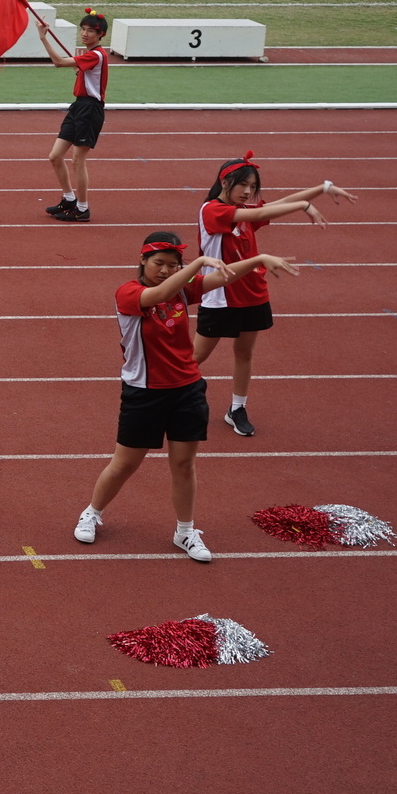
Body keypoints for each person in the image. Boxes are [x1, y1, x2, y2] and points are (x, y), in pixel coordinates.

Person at [73, 232, 300, 562]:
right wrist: (198, 263)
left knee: (183, 464)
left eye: (172, 265)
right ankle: (92, 512)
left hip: (187, 390)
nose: (165, 270)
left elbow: (224, 277)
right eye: (158, 263)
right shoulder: (129, 293)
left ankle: (185, 531)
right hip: (144, 393)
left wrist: (259, 260)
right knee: (124, 464)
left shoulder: (182, 288)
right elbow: (161, 293)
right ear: (142, 261)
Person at [194, 153, 357, 437]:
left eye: (252, 187)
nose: (248, 191)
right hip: (220, 297)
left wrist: (322, 188)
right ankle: (163, 398)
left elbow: (276, 205)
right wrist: (304, 206)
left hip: (253, 294)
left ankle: (237, 408)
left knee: (244, 353)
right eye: (243, 185)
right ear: (225, 181)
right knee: (195, 357)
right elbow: (260, 213)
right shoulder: (213, 210)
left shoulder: (243, 211)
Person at [37, 10, 110, 223]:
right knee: (55, 156)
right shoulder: (89, 55)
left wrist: (43, 38)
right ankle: (69, 199)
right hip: (78, 106)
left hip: (90, 109)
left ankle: (82, 208)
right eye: (83, 29)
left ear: (101, 35)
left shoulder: (96, 55)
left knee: (78, 161)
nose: (85, 34)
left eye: (91, 31)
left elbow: (59, 62)